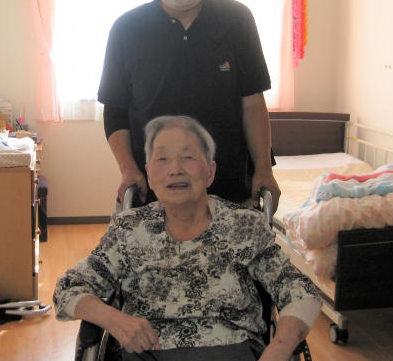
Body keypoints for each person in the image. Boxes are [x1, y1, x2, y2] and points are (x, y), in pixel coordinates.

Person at [54, 115, 321, 360]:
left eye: (188, 157)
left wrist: (278, 350)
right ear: (149, 174)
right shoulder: (129, 229)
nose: (175, 169)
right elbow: (68, 288)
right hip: (147, 352)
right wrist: (116, 321)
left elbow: (302, 292)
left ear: (210, 171)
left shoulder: (244, 226)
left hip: (230, 350)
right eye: (162, 159)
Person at [98, 0, 281, 209]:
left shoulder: (236, 20)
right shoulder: (127, 29)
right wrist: (128, 169)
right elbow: (115, 110)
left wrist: (263, 168)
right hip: (153, 194)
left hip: (230, 192)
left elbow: (252, 103)